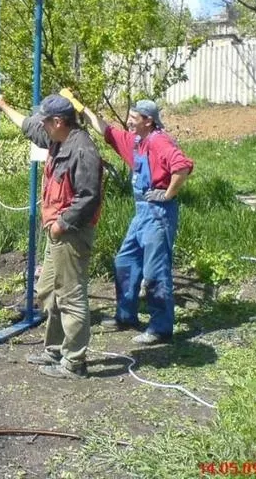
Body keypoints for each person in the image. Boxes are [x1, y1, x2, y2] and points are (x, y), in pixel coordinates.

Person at [0, 93, 103, 379]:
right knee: (49, 290)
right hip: (58, 231)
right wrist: (4, 107)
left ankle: (75, 363)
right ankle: (54, 349)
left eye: (46, 121)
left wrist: (61, 224)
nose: (42, 125)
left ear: (58, 121)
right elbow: (28, 126)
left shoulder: (82, 150)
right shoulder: (57, 138)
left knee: (70, 295)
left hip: (71, 233)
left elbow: (88, 197)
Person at [72, 95, 193, 345]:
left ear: (149, 121)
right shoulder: (136, 141)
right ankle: (126, 316)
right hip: (141, 213)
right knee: (125, 261)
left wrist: (168, 193)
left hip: (158, 214)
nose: (129, 121)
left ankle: (161, 328)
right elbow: (106, 130)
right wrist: (81, 108)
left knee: (155, 271)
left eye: (134, 118)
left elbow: (182, 167)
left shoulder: (160, 142)